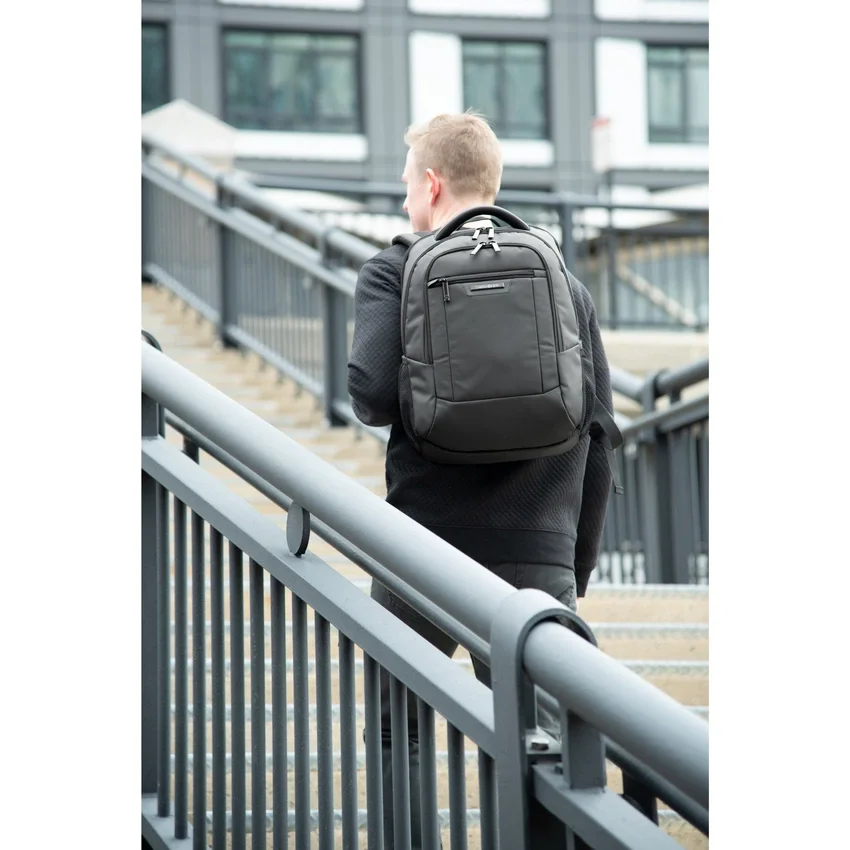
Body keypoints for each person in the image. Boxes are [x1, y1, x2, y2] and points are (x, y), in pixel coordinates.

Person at [347, 112, 615, 848]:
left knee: (397, 729)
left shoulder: (395, 269)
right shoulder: (561, 280)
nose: (406, 200)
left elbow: (369, 394)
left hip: (422, 551)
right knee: (543, 744)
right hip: (538, 553)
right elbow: (598, 435)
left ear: (433, 185)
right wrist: (571, 564)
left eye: (408, 185)